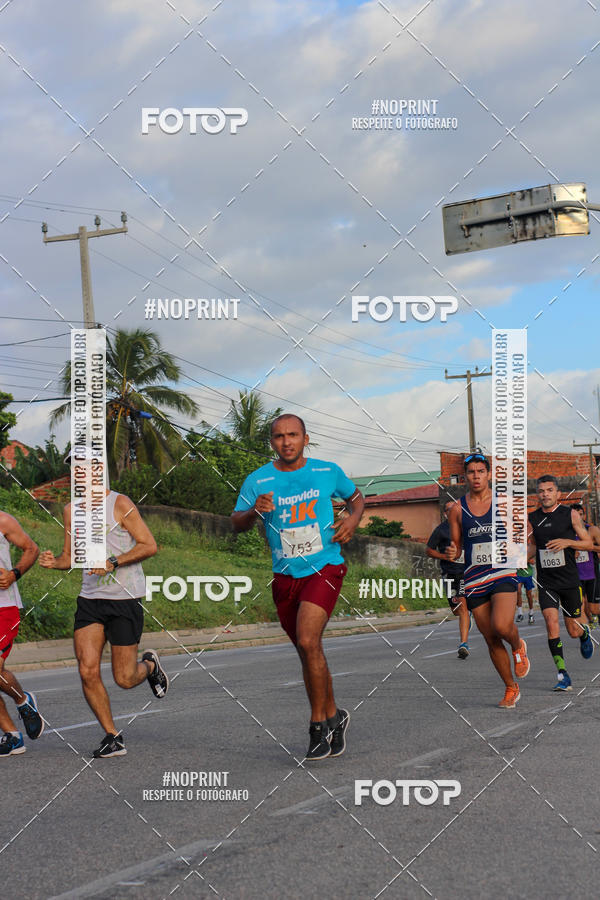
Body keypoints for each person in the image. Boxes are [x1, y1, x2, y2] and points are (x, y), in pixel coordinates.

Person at [232, 414, 364, 761]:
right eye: (279, 436)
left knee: (308, 641)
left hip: (324, 567)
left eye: (293, 435)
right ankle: (335, 715)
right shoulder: (258, 480)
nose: (286, 441)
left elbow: (357, 498)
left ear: (305, 439)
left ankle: (317, 726)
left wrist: (352, 519)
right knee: (308, 651)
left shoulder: (327, 471)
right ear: (271, 442)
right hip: (285, 576)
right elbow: (236, 522)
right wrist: (254, 512)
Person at [39, 455, 168, 757]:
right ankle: (112, 736)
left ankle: (150, 666)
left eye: (85, 467)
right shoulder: (71, 510)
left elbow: (149, 545)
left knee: (124, 678)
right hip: (90, 599)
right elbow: (70, 557)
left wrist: (113, 562)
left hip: (124, 598)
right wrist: (54, 562)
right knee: (87, 670)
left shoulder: (119, 504)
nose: (79, 473)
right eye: (75, 468)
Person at [448, 452, 529, 708]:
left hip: (502, 571)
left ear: (489, 474)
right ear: (465, 477)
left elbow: (525, 533)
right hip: (474, 578)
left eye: (480, 471)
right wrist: (452, 552)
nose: (476, 476)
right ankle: (510, 687)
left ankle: (517, 645)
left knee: (502, 626)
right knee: (490, 638)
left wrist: (518, 548)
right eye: (471, 472)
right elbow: (457, 547)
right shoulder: (457, 509)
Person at [527, 477, 594, 692]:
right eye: (541, 491)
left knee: (573, 630)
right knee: (551, 622)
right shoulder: (533, 518)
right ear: (537, 494)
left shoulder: (570, 514)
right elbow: (533, 547)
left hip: (569, 581)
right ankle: (562, 673)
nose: (545, 494)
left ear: (558, 494)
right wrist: (517, 559)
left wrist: (568, 542)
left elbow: (589, 543)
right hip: (547, 582)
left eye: (549, 490)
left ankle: (584, 634)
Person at [0, 510, 44, 757]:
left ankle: (22, 701)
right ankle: (13, 737)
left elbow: (31, 549)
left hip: (3, 608)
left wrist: (13, 574)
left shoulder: (3, 520)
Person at [426, 500, 470, 658]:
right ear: (445, 514)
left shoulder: (467, 526)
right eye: (450, 509)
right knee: (456, 610)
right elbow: (429, 550)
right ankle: (466, 617)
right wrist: (444, 556)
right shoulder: (441, 530)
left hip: (465, 573)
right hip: (449, 574)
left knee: (463, 607)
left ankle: (463, 644)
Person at [571, 503, 600, 628]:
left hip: (591, 574)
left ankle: (595, 617)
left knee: (594, 608)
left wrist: (588, 547)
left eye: (581, 514)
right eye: (575, 515)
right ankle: (587, 626)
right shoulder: (567, 533)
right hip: (575, 575)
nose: (579, 518)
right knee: (580, 604)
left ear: (584, 515)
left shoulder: (592, 530)